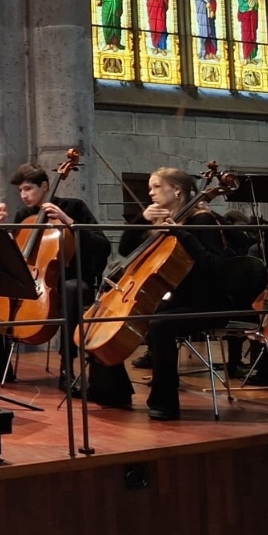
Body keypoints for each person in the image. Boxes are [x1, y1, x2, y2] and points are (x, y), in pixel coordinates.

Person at [106, 168, 233, 420]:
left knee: (160, 324)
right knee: (109, 317)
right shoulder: (158, 223)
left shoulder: (201, 221)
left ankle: (166, 401)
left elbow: (215, 267)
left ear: (176, 190)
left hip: (207, 302)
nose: (150, 193)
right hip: (176, 300)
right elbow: (125, 249)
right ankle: (112, 391)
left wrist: (182, 234)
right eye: (149, 188)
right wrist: (142, 219)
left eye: (155, 187)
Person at [0, 162, 111, 390]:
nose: (24, 196)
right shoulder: (23, 215)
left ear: (44, 186)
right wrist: (0, 229)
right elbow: (12, 256)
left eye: (28, 189)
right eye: (20, 191)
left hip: (74, 278)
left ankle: (67, 367)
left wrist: (69, 222)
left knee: (70, 289)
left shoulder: (74, 207)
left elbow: (103, 246)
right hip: (36, 280)